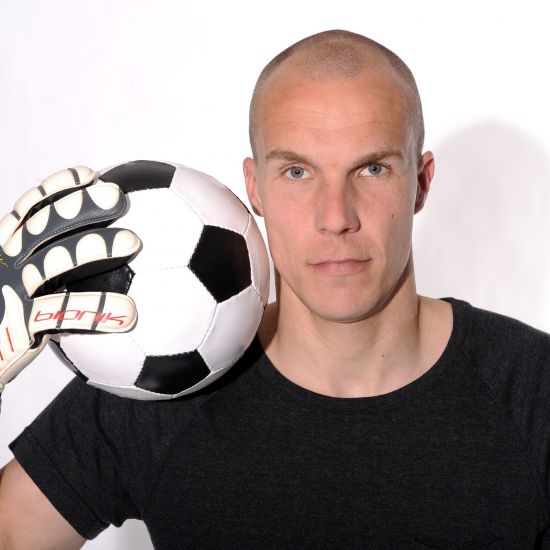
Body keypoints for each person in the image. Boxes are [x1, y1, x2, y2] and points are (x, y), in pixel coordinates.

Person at [1, 29, 549, 549]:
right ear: (254, 187)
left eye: (372, 169)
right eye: (297, 173)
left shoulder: (534, 391)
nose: (336, 218)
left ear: (421, 183)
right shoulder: (160, 378)